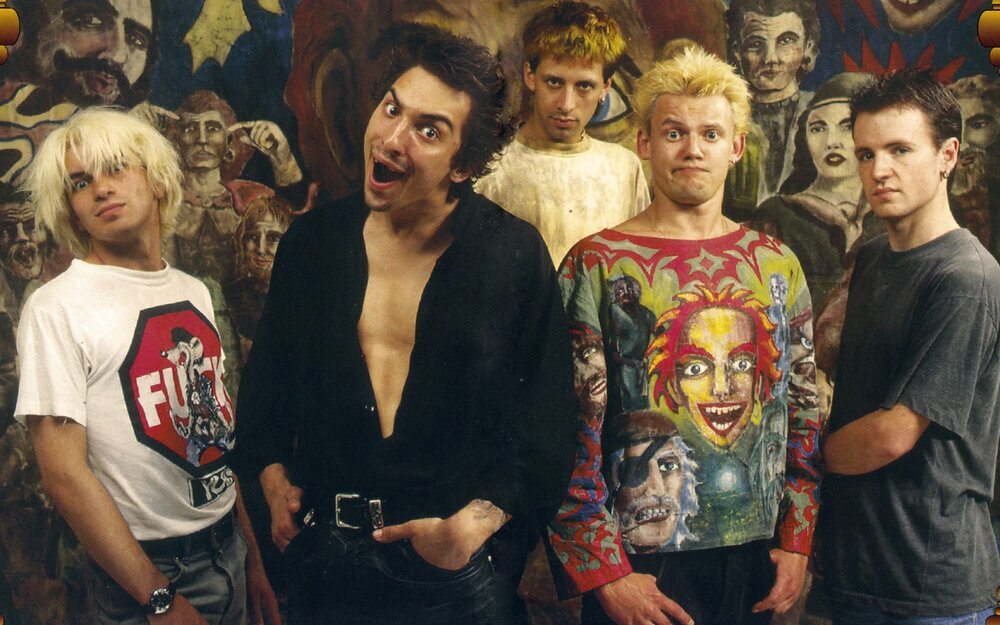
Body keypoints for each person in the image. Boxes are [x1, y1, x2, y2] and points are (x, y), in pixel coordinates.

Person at [232, 23, 577, 624]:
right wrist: (271, 478)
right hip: (327, 570)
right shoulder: (311, 245)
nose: (392, 138)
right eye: (392, 108)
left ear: (464, 165)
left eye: (428, 130)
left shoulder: (512, 255)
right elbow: (264, 398)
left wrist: (472, 528)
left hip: (456, 574)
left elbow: (547, 426)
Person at [546, 45, 821, 625]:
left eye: (710, 134)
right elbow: (567, 429)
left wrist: (797, 539)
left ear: (736, 146)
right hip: (640, 558)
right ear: (644, 142)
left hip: (755, 556)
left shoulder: (776, 264)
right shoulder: (597, 264)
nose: (693, 149)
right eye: (674, 132)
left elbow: (801, 414)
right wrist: (605, 572)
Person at [13, 108, 279, 625]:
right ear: (72, 210)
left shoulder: (194, 291)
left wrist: (251, 560)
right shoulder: (56, 307)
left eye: (116, 167)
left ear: (156, 178)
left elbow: (215, 440)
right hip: (147, 576)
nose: (100, 189)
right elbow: (63, 475)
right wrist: (158, 598)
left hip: (229, 548)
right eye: (80, 182)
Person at [818, 67, 1000, 625]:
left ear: (948, 155)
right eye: (866, 154)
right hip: (854, 571)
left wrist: (796, 462)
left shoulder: (965, 276)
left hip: (928, 583)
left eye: (900, 150)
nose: (879, 171)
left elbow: (893, 435)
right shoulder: (873, 256)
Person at [475, 1, 648, 265]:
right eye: (554, 82)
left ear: (605, 87)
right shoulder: (490, 166)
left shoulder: (624, 168)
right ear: (530, 75)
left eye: (584, 86)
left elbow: (637, 265)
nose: (566, 104)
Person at [750, 72, 882, 313]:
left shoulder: (890, 215)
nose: (831, 142)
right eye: (818, 128)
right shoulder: (777, 216)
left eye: (847, 126)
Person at [726, 0, 820, 198]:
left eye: (786, 41)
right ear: (737, 50)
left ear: (808, 47)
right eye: (755, 44)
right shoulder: (724, 115)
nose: (770, 58)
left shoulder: (822, 111)